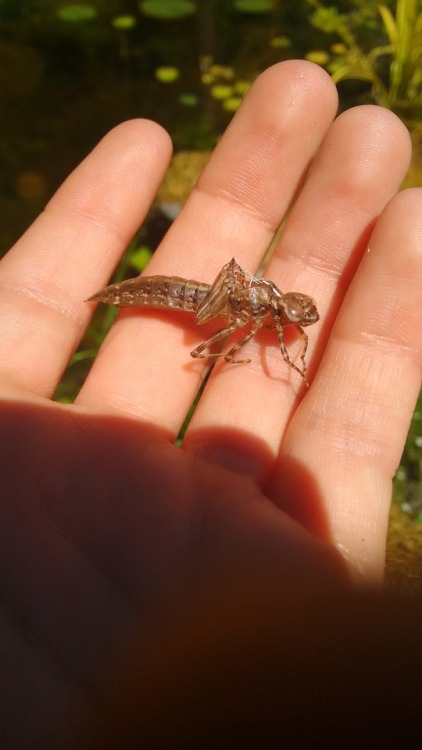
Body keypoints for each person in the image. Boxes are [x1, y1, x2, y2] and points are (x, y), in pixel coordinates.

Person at [0, 61, 421, 749]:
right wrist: (241, 338)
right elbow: (250, 317)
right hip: (190, 298)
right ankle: (189, 335)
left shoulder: (272, 314)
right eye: (294, 318)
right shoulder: (261, 315)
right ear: (286, 308)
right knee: (207, 332)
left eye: (295, 320)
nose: (296, 324)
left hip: (214, 301)